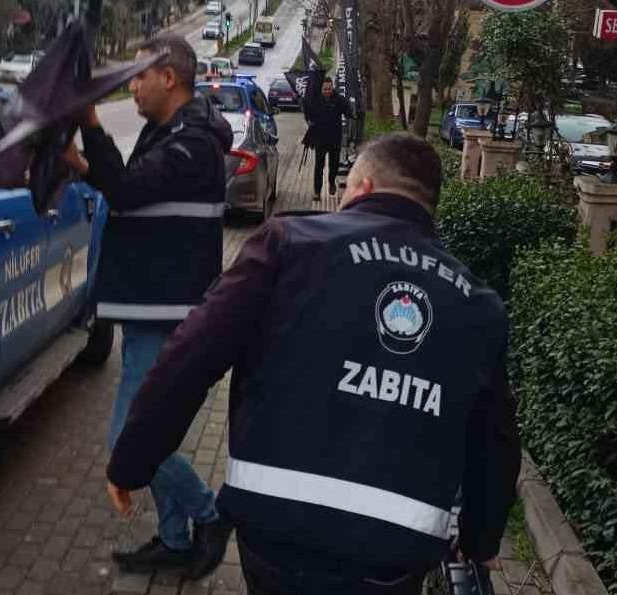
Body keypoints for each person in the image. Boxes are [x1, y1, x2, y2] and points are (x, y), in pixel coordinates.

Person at [102, 133, 522, 595]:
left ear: (362, 187)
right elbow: (495, 440)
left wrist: (133, 460)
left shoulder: (288, 243)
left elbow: (191, 355)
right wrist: (481, 540)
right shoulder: (478, 305)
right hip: (393, 559)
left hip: (278, 535)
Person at [62, 34, 235, 579]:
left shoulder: (193, 143)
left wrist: (90, 121)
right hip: (150, 308)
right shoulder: (169, 133)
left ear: (169, 77)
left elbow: (128, 190)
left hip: (166, 313)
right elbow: (131, 190)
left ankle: (209, 515)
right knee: (149, 434)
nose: (132, 86)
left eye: (138, 76)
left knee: (128, 440)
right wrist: (82, 164)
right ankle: (175, 539)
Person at [304, 77, 350, 201]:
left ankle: (331, 182)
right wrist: (308, 119)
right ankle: (317, 191)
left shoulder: (339, 99)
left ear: (332, 87)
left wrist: (352, 113)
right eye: (325, 89)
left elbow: (347, 110)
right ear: (321, 89)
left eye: (329, 89)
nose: (327, 91)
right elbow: (307, 111)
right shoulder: (316, 100)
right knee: (319, 166)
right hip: (320, 138)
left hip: (335, 138)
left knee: (334, 165)